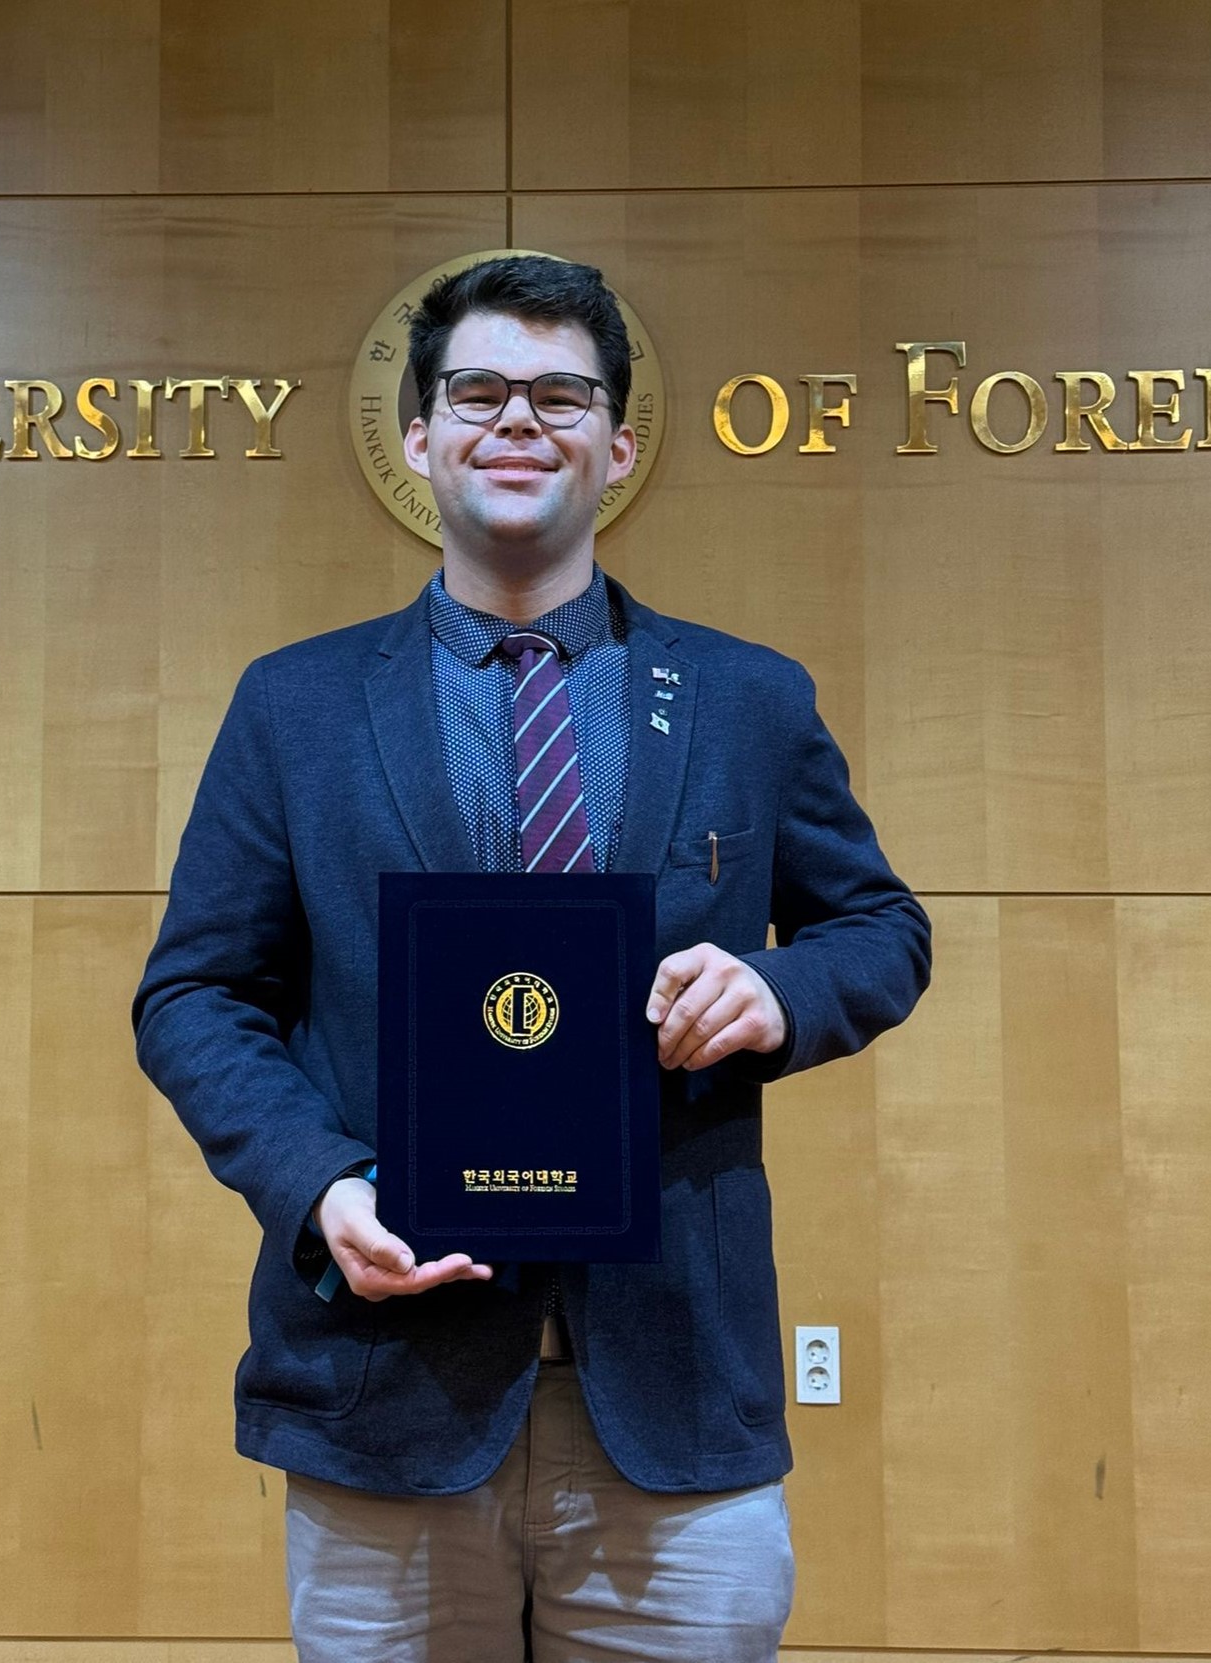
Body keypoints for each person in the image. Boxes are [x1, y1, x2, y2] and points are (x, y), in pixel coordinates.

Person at [132, 255, 931, 1662]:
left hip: (677, 1396)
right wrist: (317, 1184)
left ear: (617, 447)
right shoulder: (296, 706)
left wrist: (776, 989)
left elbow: (880, 929)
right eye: (479, 392)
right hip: (384, 1395)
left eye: (561, 396)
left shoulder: (745, 696)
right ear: (419, 436)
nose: (518, 420)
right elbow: (196, 995)